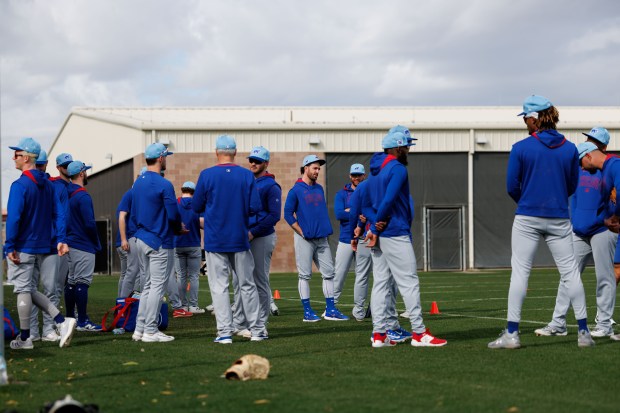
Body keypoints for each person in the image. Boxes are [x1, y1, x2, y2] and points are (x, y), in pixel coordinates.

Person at [489, 95, 594, 349]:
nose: (524, 122)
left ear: (533, 119)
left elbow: (511, 186)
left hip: (527, 216)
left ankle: (512, 334)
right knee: (571, 273)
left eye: (525, 118)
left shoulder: (521, 147)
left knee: (520, 273)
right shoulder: (570, 149)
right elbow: (571, 185)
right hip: (559, 217)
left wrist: (527, 201)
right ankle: (584, 333)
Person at [363, 131, 446, 348]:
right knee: (409, 282)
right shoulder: (397, 168)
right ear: (398, 148)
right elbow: (389, 199)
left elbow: (363, 202)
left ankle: (379, 335)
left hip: (380, 232)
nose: (409, 149)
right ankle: (419, 333)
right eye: (407, 146)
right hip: (396, 231)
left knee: (380, 284)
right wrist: (379, 221)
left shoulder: (373, 171)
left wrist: (374, 224)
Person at [535, 127, 617, 338]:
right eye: (588, 138)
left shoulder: (609, 167)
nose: (588, 142)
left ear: (602, 146)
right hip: (578, 230)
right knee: (567, 277)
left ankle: (605, 324)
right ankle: (558, 323)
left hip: (602, 230)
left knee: (605, 277)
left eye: (593, 140)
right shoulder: (579, 163)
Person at [4, 137, 76, 349]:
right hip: (48, 244)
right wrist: (61, 239)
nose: (13, 157)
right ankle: (60, 323)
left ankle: (27, 338)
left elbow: (14, 218)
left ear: (26, 158)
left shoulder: (19, 185)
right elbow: (59, 213)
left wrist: (9, 246)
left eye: (16, 154)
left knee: (23, 289)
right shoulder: (49, 185)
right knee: (32, 290)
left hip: (25, 245)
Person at [193, 135, 265, 343]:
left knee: (220, 287)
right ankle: (257, 330)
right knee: (247, 285)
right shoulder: (246, 175)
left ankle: (224, 332)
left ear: (217, 152)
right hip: (240, 238)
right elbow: (255, 207)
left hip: (216, 240)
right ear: (235, 153)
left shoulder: (207, 175)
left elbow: (197, 206)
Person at [284, 154, 349, 322]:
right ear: (306, 168)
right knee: (304, 275)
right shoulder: (296, 190)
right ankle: (307, 312)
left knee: (329, 274)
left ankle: (330, 310)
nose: (318, 171)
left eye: (319, 168)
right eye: (315, 168)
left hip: (322, 239)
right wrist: (300, 230)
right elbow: (287, 214)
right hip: (305, 239)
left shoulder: (319, 188)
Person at [131, 143, 185, 343]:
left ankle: (140, 328)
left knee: (148, 286)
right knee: (156, 287)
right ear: (161, 158)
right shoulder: (163, 184)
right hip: (158, 240)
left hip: (141, 237)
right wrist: (179, 227)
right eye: (166, 157)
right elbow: (173, 214)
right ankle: (150, 330)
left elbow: (134, 212)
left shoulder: (138, 182)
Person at [231, 147, 282, 336]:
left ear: (266, 163)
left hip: (261, 236)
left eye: (258, 161)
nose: (253, 163)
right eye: (251, 160)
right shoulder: (247, 182)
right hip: (245, 237)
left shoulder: (271, 186)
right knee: (240, 281)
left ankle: (260, 324)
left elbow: (274, 216)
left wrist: (253, 232)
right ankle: (240, 323)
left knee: (259, 280)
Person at [573, 140, 620, 341]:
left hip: (605, 230)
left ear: (590, 155)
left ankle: (605, 323)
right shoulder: (610, 166)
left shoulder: (614, 165)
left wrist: (616, 215)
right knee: (614, 273)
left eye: (582, 160)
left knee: (611, 274)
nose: (581, 166)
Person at [28, 151, 62, 342]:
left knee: (42, 289)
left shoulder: (50, 186)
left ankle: (43, 330)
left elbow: (59, 215)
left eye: (41, 165)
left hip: (42, 243)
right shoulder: (30, 185)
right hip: (38, 243)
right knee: (37, 289)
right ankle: (39, 330)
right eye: (38, 165)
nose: (40, 168)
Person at [64, 160, 102, 331]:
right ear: (81, 174)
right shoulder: (83, 195)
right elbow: (89, 223)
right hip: (83, 243)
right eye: (85, 171)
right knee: (82, 282)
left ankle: (70, 318)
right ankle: (82, 321)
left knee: (71, 282)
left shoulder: (66, 193)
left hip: (69, 243)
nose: (86, 173)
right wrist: (96, 242)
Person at [333, 164, 366, 308]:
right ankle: (331, 306)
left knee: (362, 276)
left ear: (364, 176)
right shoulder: (341, 194)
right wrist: (357, 213)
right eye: (354, 175)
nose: (356, 178)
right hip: (346, 239)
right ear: (350, 176)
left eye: (359, 175)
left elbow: (369, 214)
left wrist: (350, 211)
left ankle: (359, 308)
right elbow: (339, 214)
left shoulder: (368, 193)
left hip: (364, 239)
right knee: (339, 274)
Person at [172, 181, 205, 316]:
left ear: (182, 190)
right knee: (194, 277)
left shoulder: (175, 204)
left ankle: (182, 306)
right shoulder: (197, 205)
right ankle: (193, 305)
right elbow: (203, 224)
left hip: (177, 244)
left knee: (180, 277)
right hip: (193, 244)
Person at [51, 153, 73, 312]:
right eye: (65, 165)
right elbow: (59, 216)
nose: (68, 168)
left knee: (70, 281)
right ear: (58, 168)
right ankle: (53, 323)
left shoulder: (70, 186)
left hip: (70, 238)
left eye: (70, 164)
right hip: (60, 240)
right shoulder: (57, 186)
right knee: (56, 284)